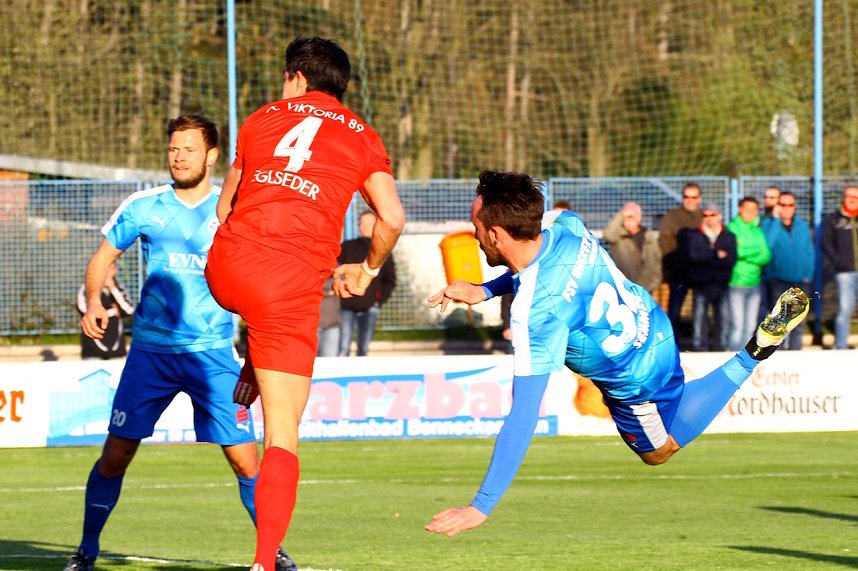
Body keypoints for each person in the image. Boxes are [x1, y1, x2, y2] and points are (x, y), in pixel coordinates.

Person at [423, 170, 808, 537]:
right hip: (655, 328)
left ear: (495, 233)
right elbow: (533, 261)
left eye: (475, 226)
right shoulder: (565, 224)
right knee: (674, 407)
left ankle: (752, 353)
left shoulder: (535, 313)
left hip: (636, 383)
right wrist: (486, 290)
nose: (474, 235)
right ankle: (748, 354)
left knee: (658, 453)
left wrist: (481, 505)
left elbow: (524, 414)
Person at [204, 36, 405, 571]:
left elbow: (225, 207)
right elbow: (392, 219)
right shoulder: (362, 135)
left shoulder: (260, 118)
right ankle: (263, 563)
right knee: (283, 435)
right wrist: (366, 270)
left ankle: (254, 359)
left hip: (226, 266)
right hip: (286, 284)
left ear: (296, 77)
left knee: (260, 307)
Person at [65, 115, 296, 571]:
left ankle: (271, 552)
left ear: (211, 156)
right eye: (173, 149)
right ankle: (86, 551)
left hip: (213, 355)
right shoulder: (143, 206)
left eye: (189, 149)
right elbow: (103, 257)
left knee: (247, 462)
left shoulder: (235, 209)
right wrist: (93, 300)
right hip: (150, 355)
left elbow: (261, 274)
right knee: (115, 456)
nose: (178, 157)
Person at [337, 210, 397, 356]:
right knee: (343, 347)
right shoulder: (347, 247)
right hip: (346, 305)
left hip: (370, 306)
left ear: (376, 226)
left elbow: (390, 280)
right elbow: (336, 272)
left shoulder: (381, 250)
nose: (364, 227)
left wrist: (378, 301)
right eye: (362, 223)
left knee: (363, 348)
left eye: (368, 224)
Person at [760, 191, 814, 350]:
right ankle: (778, 352)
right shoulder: (768, 225)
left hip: (800, 280)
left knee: (798, 321)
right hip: (778, 280)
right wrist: (776, 221)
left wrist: (808, 274)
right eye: (783, 205)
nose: (787, 208)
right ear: (777, 206)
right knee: (779, 321)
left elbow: (809, 252)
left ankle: (796, 352)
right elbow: (768, 245)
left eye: (790, 205)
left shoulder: (802, 226)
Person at [682, 203, 736, 351]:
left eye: (712, 215)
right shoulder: (694, 235)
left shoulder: (728, 236)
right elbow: (694, 256)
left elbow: (730, 260)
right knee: (699, 319)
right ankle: (699, 347)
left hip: (721, 283)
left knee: (723, 318)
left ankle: (721, 347)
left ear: (719, 216)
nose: (708, 218)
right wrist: (716, 254)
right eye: (705, 215)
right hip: (701, 283)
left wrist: (706, 258)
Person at [658, 183, 703, 337]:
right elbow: (664, 240)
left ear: (699, 199)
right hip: (679, 270)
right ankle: (671, 339)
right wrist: (672, 262)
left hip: (700, 270)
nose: (690, 200)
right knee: (674, 308)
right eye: (686, 196)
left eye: (693, 197)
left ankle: (699, 341)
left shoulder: (704, 216)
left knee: (700, 308)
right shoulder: (672, 216)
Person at [726, 197, 771, 350]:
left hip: (754, 283)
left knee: (750, 326)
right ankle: (732, 356)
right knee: (736, 326)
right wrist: (756, 252)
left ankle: (744, 358)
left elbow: (766, 255)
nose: (750, 213)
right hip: (736, 282)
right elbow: (736, 252)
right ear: (740, 209)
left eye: (754, 210)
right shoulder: (732, 228)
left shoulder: (757, 231)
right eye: (747, 209)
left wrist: (746, 254)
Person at [821, 185, 858, 350]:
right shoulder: (834, 220)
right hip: (844, 273)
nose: (852, 199)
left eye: (856, 196)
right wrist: (838, 261)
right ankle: (841, 346)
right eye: (849, 195)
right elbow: (826, 242)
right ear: (844, 197)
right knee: (845, 309)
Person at [76, 261, 135, 359]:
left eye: (110, 268)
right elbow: (83, 309)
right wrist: (112, 311)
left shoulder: (119, 289)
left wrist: (113, 288)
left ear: (115, 270)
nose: (107, 272)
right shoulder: (86, 288)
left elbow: (129, 310)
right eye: (104, 268)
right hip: (93, 349)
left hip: (116, 348)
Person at [602, 201, 662, 293]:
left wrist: (649, 284)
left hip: (644, 288)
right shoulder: (619, 236)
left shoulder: (648, 237)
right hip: (623, 286)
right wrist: (621, 214)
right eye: (625, 218)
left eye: (631, 217)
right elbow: (608, 235)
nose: (628, 221)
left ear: (638, 218)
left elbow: (654, 263)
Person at [317, 276, 341, 356]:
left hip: (332, 326)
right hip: (313, 327)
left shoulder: (338, 274)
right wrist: (330, 292)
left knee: (330, 360)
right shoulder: (311, 274)